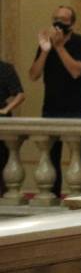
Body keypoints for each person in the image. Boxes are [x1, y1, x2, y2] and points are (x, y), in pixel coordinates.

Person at [28, 5, 81, 196]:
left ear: (72, 24)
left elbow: (76, 71)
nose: (58, 23)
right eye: (55, 18)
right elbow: (33, 75)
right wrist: (46, 50)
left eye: (63, 20)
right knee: (50, 158)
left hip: (76, 109)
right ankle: (52, 198)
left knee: (80, 157)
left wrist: (59, 47)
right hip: (51, 108)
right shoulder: (46, 44)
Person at [0, 59, 25, 196]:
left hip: (2, 123)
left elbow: (20, 94)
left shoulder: (5, 68)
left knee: (3, 162)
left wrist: (5, 109)